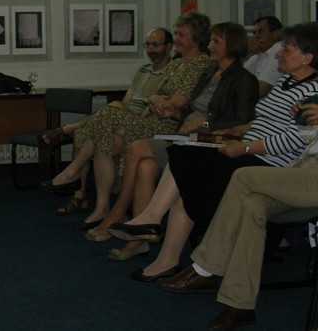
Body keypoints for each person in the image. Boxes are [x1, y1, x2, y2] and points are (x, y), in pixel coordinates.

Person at [108, 22, 318, 283]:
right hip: (247, 149)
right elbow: (263, 120)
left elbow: (294, 140)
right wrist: (239, 130)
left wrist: (244, 146)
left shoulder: (311, 92)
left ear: (307, 58)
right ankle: (164, 255)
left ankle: (154, 226)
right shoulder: (287, 82)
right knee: (185, 173)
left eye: (286, 49)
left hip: (266, 163)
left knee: (185, 159)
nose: (279, 53)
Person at [88, 23, 258, 253]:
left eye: (215, 42)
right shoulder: (210, 73)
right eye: (210, 41)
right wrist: (175, 113)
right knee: (146, 167)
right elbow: (191, 113)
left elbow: (241, 122)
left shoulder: (244, 79)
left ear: (232, 45)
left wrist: (205, 123)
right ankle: (139, 239)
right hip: (187, 136)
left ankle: (119, 212)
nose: (209, 46)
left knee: (137, 147)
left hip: (212, 142)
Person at [154, 100, 318, 330]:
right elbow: (309, 140)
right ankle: (239, 304)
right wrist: (305, 121)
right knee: (253, 205)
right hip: (305, 169)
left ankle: (205, 268)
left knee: (243, 177)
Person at [47, 12, 214, 231]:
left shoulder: (200, 63)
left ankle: (72, 171)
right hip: (149, 120)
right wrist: (155, 101)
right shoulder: (176, 64)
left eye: (181, 34)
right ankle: (102, 208)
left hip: (166, 127)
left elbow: (178, 101)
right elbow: (156, 96)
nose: (176, 38)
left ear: (197, 37)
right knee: (102, 141)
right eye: (176, 33)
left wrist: (157, 101)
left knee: (108, 112)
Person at [40, 28, 173, 209]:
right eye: (148, 45)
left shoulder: (172, 73)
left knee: (108, 113)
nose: (150, 50)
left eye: (155, 45)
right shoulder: (143, 70)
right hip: (125, 115)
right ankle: (80, 195)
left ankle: (69, 143)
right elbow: (126, 101)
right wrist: (120, 112)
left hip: (143, 121)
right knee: (83, 133)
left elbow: (161, 109)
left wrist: (125, 113)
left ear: (169, 47)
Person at [244, 16, 283, 98]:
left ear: (275, 34)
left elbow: (258, 92)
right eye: (254, 33)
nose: (256, 36)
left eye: (261, 32)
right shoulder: (258, 55)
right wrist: (244, 53)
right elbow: (233, 79)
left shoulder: (279, 55)